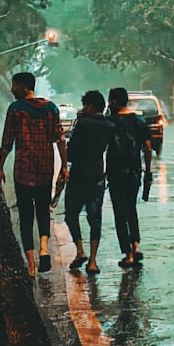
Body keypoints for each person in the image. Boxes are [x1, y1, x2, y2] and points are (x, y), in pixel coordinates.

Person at [0, 71, 66, 276]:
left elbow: (7, 142)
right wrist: (64, 165)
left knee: (26, 216)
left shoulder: (16, 110)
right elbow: (59, 139)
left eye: (15, 85)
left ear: (24, 87)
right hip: (45, 169)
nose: (12, 89)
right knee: (43, 211)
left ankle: (31, 266)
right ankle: (44, 249)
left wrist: (0, 168)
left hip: (23, 171)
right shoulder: (51, 108)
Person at [63, 90, 115, 274]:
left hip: (79, 174)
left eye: (85, 105)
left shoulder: (82, 123)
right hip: (97, 175)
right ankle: (93, 261)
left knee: (71, 214)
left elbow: (72, 151)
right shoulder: (109, 126)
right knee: (95, 218)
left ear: (91, 106)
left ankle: (80, 250)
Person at [106, 87, 153, 269]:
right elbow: (148, 148)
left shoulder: (110, 122)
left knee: (119, 211)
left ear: (115, 102)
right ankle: (136, 245)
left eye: (110, 101)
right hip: (135, 172)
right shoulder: (140, 122)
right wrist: (147, 172)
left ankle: (128, 254)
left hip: (116, 173)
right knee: (131, 208)